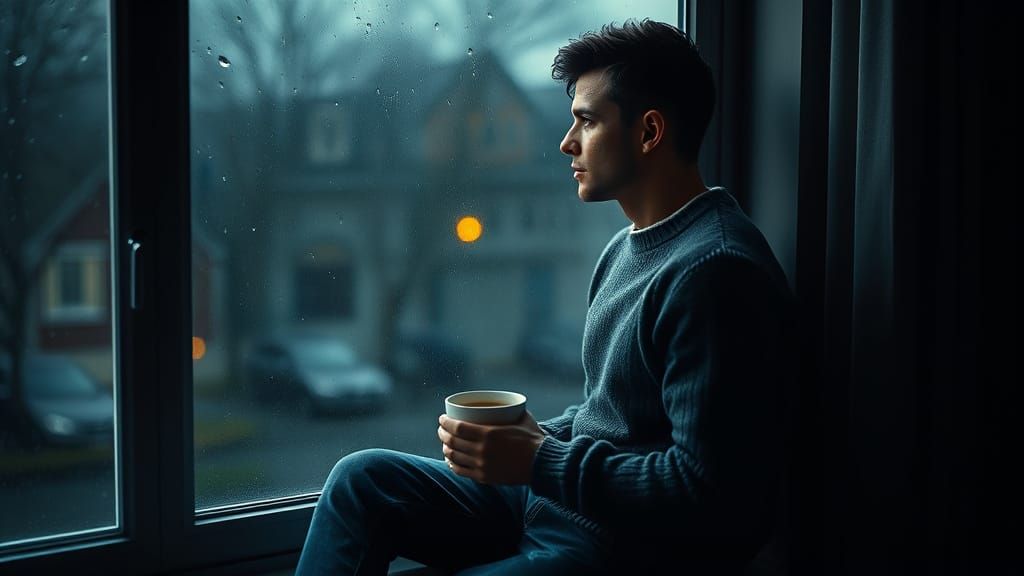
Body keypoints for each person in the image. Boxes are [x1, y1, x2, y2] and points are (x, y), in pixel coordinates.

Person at [296, 18, 793, 575]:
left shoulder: (714, 271)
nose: (566, 142)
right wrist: (523, 440)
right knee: (359, 479)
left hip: (615, 543)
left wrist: (537, 459)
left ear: (649, 132)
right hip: (559, 504)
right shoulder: (625, 248)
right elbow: (614, 417)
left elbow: (708, 493)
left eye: (586, 121)